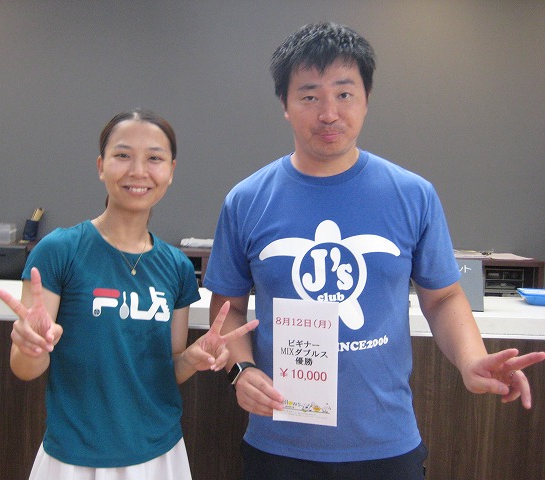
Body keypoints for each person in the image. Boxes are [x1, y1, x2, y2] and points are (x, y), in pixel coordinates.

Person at [203, 22, 545, 480]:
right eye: (309, 96)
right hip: (278, 442)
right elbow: (228, 308)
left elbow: (443, 297)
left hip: (386, 444)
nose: (328, 113)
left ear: (366, 99)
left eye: (344, 94)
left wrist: (471, 359)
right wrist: (241, 371)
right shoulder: (247, 200)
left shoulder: (412, 194)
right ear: (284, 104)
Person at [0, 108, 258, 480]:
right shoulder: (59, 251)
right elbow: (24, 369)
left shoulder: (177, 267)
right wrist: (31, 346)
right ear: (101, 166)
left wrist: (192, 359)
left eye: (154, 158)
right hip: (75, 457)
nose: (138, 171)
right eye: (122, 155)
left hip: (159, 454)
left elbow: (168, 368)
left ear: (171, 171)